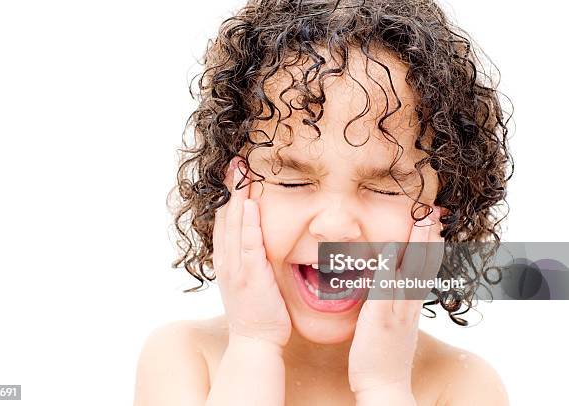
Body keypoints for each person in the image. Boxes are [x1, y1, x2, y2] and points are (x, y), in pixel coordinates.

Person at [134, 0, 513, 404]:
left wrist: (383, 385)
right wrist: (254, 345)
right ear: (229, 190)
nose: (334, 227)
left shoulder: (461, 385)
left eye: (384, 188)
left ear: (448, 203)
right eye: (293, 181)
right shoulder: (186, 358)